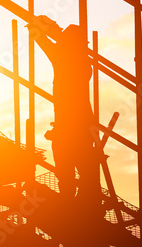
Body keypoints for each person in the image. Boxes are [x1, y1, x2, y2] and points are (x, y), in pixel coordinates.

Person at [27, 16, 101, 216]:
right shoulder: (82, 60)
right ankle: (87, 203)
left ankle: (73, 204)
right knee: (82, 166)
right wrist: (55, 30)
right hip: (83, 123)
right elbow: (51, 41)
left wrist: (41, 27)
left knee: (67, 164)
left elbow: (41, 39)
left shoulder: (65, 56)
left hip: (69, 124)